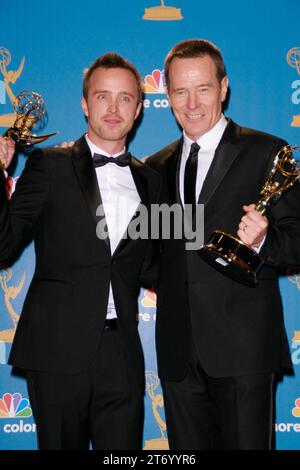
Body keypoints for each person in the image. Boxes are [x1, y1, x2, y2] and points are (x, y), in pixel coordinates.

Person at [0, 52, 161, 450]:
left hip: (122, 355)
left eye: (125, 98)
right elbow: (3, 245)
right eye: (102, 96)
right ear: (85, 104)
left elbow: (155, 267)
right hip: (55, 351)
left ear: (139, 109)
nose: (113, 107)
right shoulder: (48, 166)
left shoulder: (151, 181)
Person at [146, 39, 300, 450]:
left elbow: (298, 243)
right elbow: (150, 253)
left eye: (203, 89)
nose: (192, 103)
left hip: (243, 350)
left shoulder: (268, 152)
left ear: (224, 87)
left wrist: (265, 238)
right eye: (180, 91)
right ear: (168, 95)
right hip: (179, 353)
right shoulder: (156, 167)